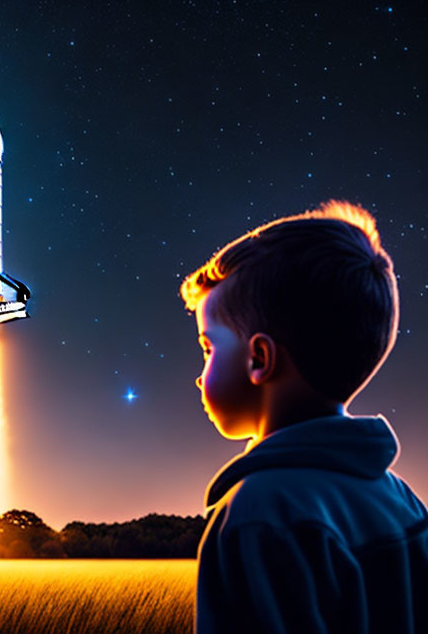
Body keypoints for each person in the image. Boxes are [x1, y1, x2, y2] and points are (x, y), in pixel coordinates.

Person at [179, 201, 428, 633]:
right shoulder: (401, 498)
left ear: (259, 358)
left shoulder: (256, 516)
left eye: (208, 348)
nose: (198, 378)